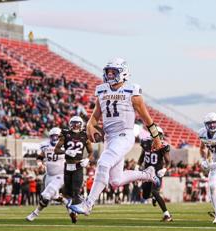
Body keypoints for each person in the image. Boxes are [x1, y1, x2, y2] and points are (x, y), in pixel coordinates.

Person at [69, 58, 162, 215]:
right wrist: (89, 125)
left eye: (114, 72)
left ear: (123, 73)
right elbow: (95, 115)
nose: (110, 75)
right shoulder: (102, 91)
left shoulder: (132, 91)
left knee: (104, 163)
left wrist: (156, 137)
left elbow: (146, 118)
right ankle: (148, 174)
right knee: (115, 181)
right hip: (110, 138)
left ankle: (88, 204)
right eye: (108, 72)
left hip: (125, 134)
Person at [54, 116, 93, 224]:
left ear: (81, 125)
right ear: (70, 124)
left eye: (77, 123)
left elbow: (91, 152)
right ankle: (74, 212)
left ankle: (86, 206)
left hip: (78, 166)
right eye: (73, 123)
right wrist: (65, 152)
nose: (75, 125)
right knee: (67, 193)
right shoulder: (65, 134)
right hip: (67, 166)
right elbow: (56, 150)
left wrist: (87, 160)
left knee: (75, 191)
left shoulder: (85, 135)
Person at [26, 127, 65, 221]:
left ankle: (34, 213)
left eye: (56, 136)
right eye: (53, 136)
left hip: (60, 174)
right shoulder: (45, 146)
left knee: (46, 195)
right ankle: (68, 202)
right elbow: (40, 157)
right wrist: (40, 164)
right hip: (49, 175)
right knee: (54, 197)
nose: (55, 138)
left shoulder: (65, 146)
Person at [138, 127, 173, 222]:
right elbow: (142, 157)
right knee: (145, 195)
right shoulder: (145, 143)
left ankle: (167, 215)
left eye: (160, 135)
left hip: (157, 172)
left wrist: (165, 169)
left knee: (154, 191)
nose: (159, 138)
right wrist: (137, 166)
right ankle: (154, 197)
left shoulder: (163, 146)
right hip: (146, 172)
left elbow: (169, 161)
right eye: (157, 135)